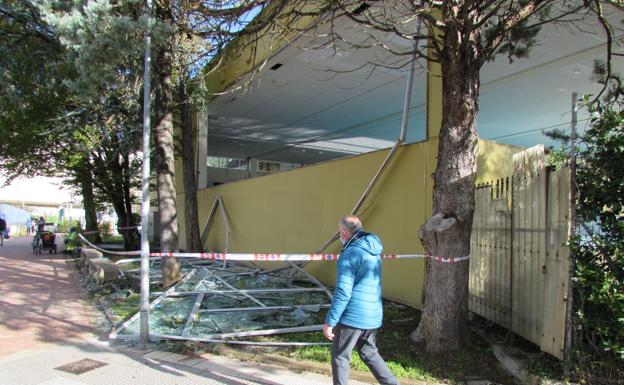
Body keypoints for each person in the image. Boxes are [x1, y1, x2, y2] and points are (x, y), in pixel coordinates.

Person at [323, 215, 399, 385]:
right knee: (369, 353)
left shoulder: (350, 253)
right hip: (372, 315)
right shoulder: (373, 250)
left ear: (344, 232)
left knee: (340, 356)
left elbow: (343, 291)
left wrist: (331, 321)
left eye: (340, 232)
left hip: (352, 316)